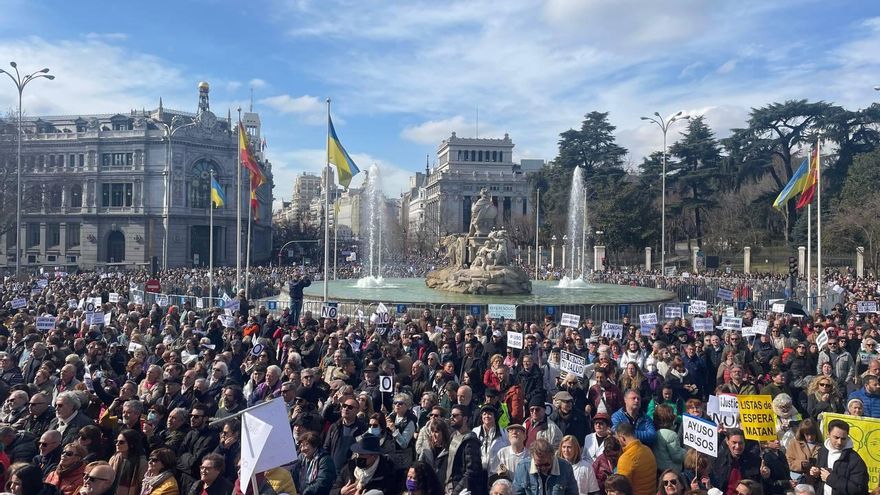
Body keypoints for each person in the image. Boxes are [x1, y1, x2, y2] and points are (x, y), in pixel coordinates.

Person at [809, 419, 868, 494]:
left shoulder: (855, 459)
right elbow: (819, 482)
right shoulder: (822, 452)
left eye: (843, 439)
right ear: (828, 434)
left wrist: (830, 478)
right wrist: (816, 474)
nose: (839, 442)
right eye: (836, 437)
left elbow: (859, 489)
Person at [330, 434, 395, 495]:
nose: (358, 457)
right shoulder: (349, 467)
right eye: (357, 454)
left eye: (362, 454)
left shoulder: (386, 473)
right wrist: (340, 491)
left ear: (374, 456)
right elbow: (333, 490)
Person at [512, 438, 577, 495]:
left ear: (552, 457)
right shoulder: (523, 467)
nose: (543, 468)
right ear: (532, 458)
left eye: (546, 464)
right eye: (538, 465)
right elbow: (517, 492)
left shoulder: (565, 468)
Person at [446, 403, 484, 495]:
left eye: (455, 416)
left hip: (461, 490)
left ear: (465, 418)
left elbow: (472, 471)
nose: (452, 418)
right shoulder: (453, 435)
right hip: (448, 487)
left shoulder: (470, 441)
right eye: (451, 415)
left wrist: (457, 491)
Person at [711, 428, 762, 495]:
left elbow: (758, 486)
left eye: (740, 443)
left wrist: (765, 476)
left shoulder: (754, 460)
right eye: (734, 442)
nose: (737, 446)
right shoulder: (718, 460)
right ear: (727, 441)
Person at [324, 397, 367, 476]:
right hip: (332, 471)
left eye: (350, 407)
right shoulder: (334, 426)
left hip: (351, 473)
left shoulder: (362, 429)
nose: (346, 409)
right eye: (344, 406)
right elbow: (326, 448)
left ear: (357, 410)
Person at [614, 422, 657, 495]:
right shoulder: (648, 450)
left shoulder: (626, 458)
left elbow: (621, 489)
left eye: (618, 439)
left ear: (622, 438)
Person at [292, 431, 335, 495]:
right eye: (301, 446)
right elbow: (293, 475)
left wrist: (306, 493)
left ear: (315, 445)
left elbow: (323, 482)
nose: (303, 449)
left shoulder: (325, 460)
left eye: (306, 444)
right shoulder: (300, 459)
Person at [108, 429, 147, 495]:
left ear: (131, 444)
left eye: (121, 442)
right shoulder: (114, 458)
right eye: (116, 441)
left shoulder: (142, 463)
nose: (117, 444)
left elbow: (142, 486)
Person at [473, 404, 509, 473]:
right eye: (484, 414)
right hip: (478, 472)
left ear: (494, 417)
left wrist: (503, 471)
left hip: (496, 473)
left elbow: (506, 454)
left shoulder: (504, 433)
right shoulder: (475, 432)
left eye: (490, 414)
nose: (486, 416)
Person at [785, 419, 821, 483]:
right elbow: (787, 462)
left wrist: (818, 469)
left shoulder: (822, 446)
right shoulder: (794, 443)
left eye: (812, 434)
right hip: (799, 481)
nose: (810, 437)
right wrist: (801, 464)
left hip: (816, 481)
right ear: (802, 433)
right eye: (807, 434)